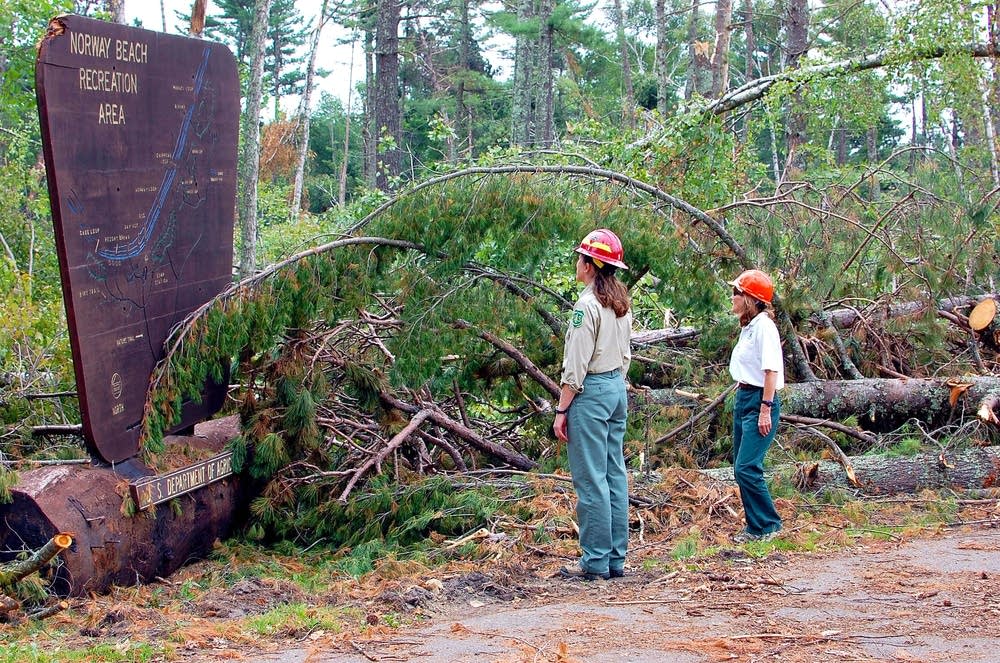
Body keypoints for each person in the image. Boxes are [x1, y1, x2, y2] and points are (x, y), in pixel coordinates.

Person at [553, 229, 633, 580]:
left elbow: (575, 367)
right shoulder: (620, 302)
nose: (577, 262)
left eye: (580, 257)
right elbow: (627, 354)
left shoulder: (586, 306)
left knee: (591, 480)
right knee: (614, 473)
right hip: (616, 387)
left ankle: (595, 561)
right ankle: (615, 559)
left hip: (592, 392)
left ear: (588, 265)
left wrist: (561, 409)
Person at [728, 269, 784, 543]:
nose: (732, 298)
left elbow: (771, 370)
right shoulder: (749, 327)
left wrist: (765, 408)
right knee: (740, 467)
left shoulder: (764, 327)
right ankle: (755, 526)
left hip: (760, 400)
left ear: (749, 298)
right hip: (745, 397)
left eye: (736, 293)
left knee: (747, 467)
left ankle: (769, 525)